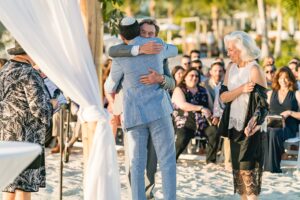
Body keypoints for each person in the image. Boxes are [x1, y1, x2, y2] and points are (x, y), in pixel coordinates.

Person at [105, 17, 177, 200]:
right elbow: (175, 49)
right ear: (138, 31)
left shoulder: (119, 56)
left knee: (136, 162)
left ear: (122, 35)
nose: (147, 37)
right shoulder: (159, 45)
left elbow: (109, 87)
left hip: (135, 113)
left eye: (150, 34)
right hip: (159, 110)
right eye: (143, 33)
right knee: (167, 160)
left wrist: (160, 79)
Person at [0, 42, 53, 200]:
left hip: (5, 135)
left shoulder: (5, 70)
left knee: (9, 185)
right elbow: (41, 110)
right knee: (24, 185)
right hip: (26, 138)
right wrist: (53, 104)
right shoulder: (29, 73)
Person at [220, 31, 268, 200]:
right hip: (234, 126)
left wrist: (253, 122)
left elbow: (263, 106)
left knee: (248, 172)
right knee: (239, 173)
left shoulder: (254, 69)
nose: (228, 53)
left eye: (231, 49)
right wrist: (241, 89)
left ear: (241, 49)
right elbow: (223, 97)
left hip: (251, 129)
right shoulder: (230, 68)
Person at [264, 67, 300, 173]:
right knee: (267, 131)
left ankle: (273, 169)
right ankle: (267, 167)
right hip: (272, 125)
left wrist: (289, 112)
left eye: (286, 78)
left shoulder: (296, 94)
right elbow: (264, 112)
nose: (283, 81)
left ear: (290, 79)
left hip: (289, 128)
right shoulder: (271, 94)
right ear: (277, 79)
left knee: (274, 132)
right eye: (280, 78)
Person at [172, 67, 212, 160]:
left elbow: (210, 105)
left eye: (197, 76)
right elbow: (183, 105)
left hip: (202, 124)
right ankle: (172, 159)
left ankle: (211, 161)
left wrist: (212, 115)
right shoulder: (179, 89)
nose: (194, 78)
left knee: (213, 132)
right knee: (182, 138)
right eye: (191, 75)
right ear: (185, 77)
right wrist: (201, 108)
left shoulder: (203, 90)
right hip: (184, 123)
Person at [203, 61, 225, 164]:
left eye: (220, 71)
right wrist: (213, 116)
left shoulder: (227, 85)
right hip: (207, 116)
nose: (218, 73)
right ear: (210, 72)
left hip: (222, 116)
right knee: (214, 131)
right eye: (215, 71)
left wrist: (219, 115)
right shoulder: (204, 85)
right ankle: (211, 160)